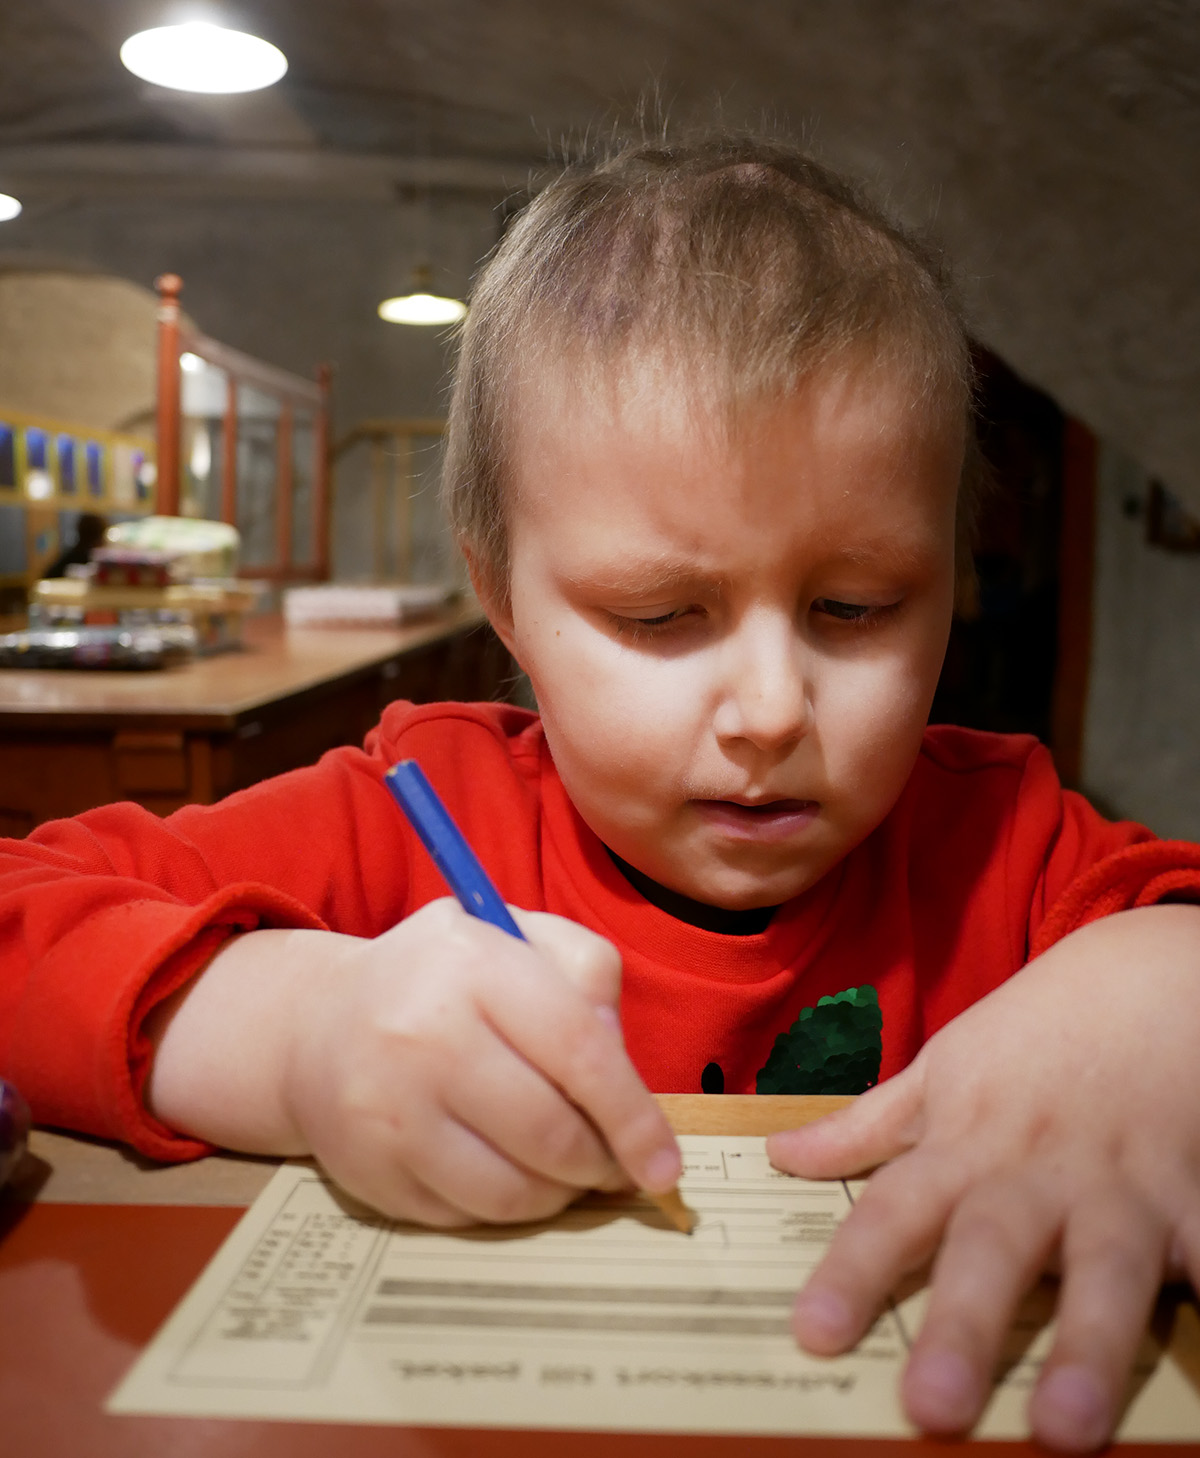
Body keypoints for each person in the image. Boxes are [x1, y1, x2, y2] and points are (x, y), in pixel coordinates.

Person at [4, 134, 1200, 1453]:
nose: (769, 711)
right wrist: (287, 1033)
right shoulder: (414, 803)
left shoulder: (1006, 842)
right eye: (661, 612)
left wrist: (1159, 988)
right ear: (503, 597)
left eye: (856, 606)